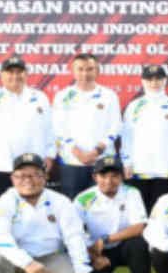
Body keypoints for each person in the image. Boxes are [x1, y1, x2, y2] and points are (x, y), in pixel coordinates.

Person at [0, 153, 91, 273]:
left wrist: (82, 271)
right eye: (21, 175)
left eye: (35, 174)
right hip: (16, 261)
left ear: (45, 177)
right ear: (12, 178)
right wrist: (27, 262)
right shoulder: (4, 202)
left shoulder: (60, 201)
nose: (28, 180)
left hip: (48, 257)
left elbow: (74, 236)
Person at [0, 56, 54, 208]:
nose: (15, 76)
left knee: (34, 207)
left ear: (26, 74)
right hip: (2, 166)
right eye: (10, 72)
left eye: (19, 72)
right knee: (2, 208)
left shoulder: (39, 98)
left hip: (34, 166)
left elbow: (50, 129)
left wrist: (50, 155)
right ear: (2, 75)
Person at [73, 157, 151, 273]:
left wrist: (106, 239)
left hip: (123, 244)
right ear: (95, 177)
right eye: (103, 176)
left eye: (114, 176)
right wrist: (94, 256)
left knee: (139, 244)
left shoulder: (131, 193)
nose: (109, 181)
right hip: (95, 249)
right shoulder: (82, 199)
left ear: (122, 177)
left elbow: (139, 227)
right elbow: (74, 233)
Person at [52, 53, 122, 198]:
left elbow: (115, 126)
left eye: (90, 69)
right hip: (72, 161)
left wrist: (97, 151)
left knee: (102, 207)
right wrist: (76, 151)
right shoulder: (63, 96)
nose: (85, 73)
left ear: (97, 70)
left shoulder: (109, 95)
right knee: (72, 207)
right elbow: (58, 128)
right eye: (80, 69)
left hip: (103, 162)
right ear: (73, 71)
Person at [121, 65, 168, 210]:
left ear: (165, 80)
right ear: (143, 81)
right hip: (139, 167)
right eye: (149, 79)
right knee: (140, 210)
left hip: (165, 168)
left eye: (158, 79)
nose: (154, 83)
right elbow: (127, 137)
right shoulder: (134, 106)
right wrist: (126, 162)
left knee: (161, 210)